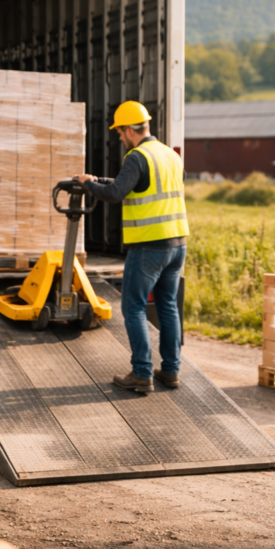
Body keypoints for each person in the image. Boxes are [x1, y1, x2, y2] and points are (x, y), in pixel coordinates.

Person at [74, 101, 189, 394]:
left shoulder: (136, 156)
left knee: (133, 306)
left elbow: (116, 193)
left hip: (149, 245)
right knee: (168, 306)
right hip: (177, 244)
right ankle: (171, 371)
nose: (120, 139)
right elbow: (138, 186)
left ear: (128, 130)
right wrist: (98, 179)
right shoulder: (169, 155)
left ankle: (141, 373)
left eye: (120, 133)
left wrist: (89, 185)